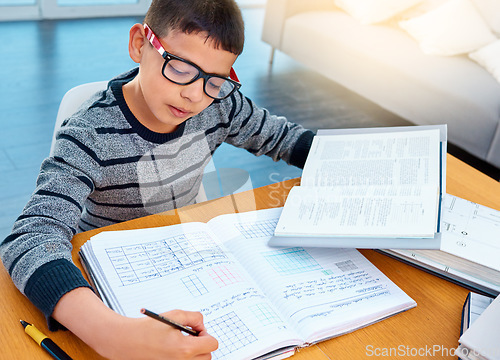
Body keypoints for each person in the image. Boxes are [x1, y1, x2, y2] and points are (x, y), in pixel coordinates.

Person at [0, 0, 314, 358]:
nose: (195, 95)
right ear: (139, 44)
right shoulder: (90, 135)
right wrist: (110, 335)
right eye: (180, 68)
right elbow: (31, 237)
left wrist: (360, 163)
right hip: (109, 276)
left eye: (216, 81)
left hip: (184, 257)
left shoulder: (219, 106)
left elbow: (284, 138)